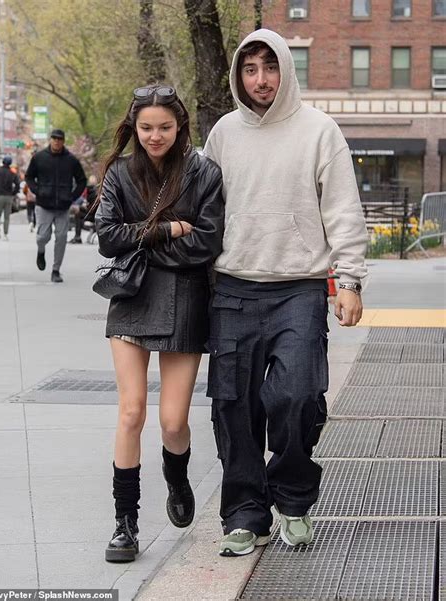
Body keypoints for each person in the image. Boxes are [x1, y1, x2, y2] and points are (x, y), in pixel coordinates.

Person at [204, 29, 368, 557]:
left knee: (297, 396)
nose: (260, 80)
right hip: (232, 287)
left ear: (286, 70)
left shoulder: (319, 130)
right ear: (238, 75)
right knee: (233, 406)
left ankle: (293, 502)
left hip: (298, 288)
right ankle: (245, 514)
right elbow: (205, 211)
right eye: (249, 69)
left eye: (269, 68)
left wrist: (348, 281)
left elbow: (342, 208)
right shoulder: (224, 133)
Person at [94, 84, 224, 563]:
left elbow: (206, 244)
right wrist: (167, 229)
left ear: (180, 126)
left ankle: (177, 475)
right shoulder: (119, 174)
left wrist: (140, 242)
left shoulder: (204, 172)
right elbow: (107, 239)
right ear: (134, 127)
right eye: (146, 127)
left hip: (185, 300)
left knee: (173, 422)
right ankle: (124, 524)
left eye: (164, 127)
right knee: (131, 413)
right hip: (131, 298)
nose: (155, 136)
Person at [25, 129, 87, 282]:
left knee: (61, 237)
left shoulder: (71, 160)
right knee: (42, 237)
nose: (57, 141)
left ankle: (56, 270)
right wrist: (37, 191)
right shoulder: (39, 157)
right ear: (50, 140)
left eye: (59, 139)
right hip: (43, 204)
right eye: (54, 139)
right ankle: (41, 251)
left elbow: (82, 181)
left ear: (63, 141)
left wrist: (72, 197)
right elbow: (29, 176)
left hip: (63, 206)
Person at [0, 155, 20, 241]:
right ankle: (5, 234)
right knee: (6, 217)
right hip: (8, 196)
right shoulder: (12, 174)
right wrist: (13, 193)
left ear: (3, 162)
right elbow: (17, 185)